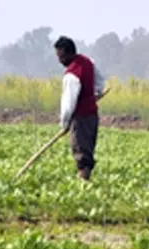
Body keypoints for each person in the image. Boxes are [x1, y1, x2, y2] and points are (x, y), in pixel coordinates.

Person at [54, 36, 106, 180]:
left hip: (80, 118)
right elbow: (100, 82)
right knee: (87, 149)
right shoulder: (88, 62)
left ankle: (83, 183)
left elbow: (68, 104)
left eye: (62, 56)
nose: (60, 60)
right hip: (92, 116)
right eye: (58, 57)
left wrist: (64, 123)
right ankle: (85, 181)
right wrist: (97, 93)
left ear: (70, 53)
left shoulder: (71, 75)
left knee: (81, 152)